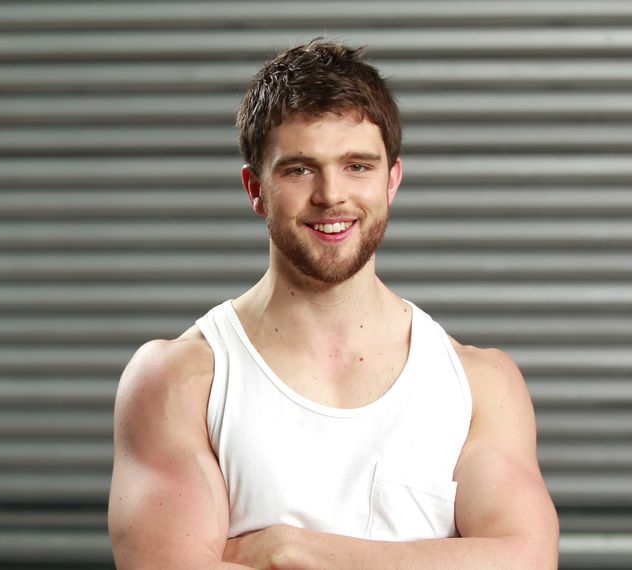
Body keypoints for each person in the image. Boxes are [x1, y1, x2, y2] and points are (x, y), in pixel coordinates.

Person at [108, 39, 559, 569]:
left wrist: (289, 550)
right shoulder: (180, 380)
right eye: (299, 169)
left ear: (392, 180)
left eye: (357, 166)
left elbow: (527, 560)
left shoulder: (481, 383)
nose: (331, 195)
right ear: (256, 188)